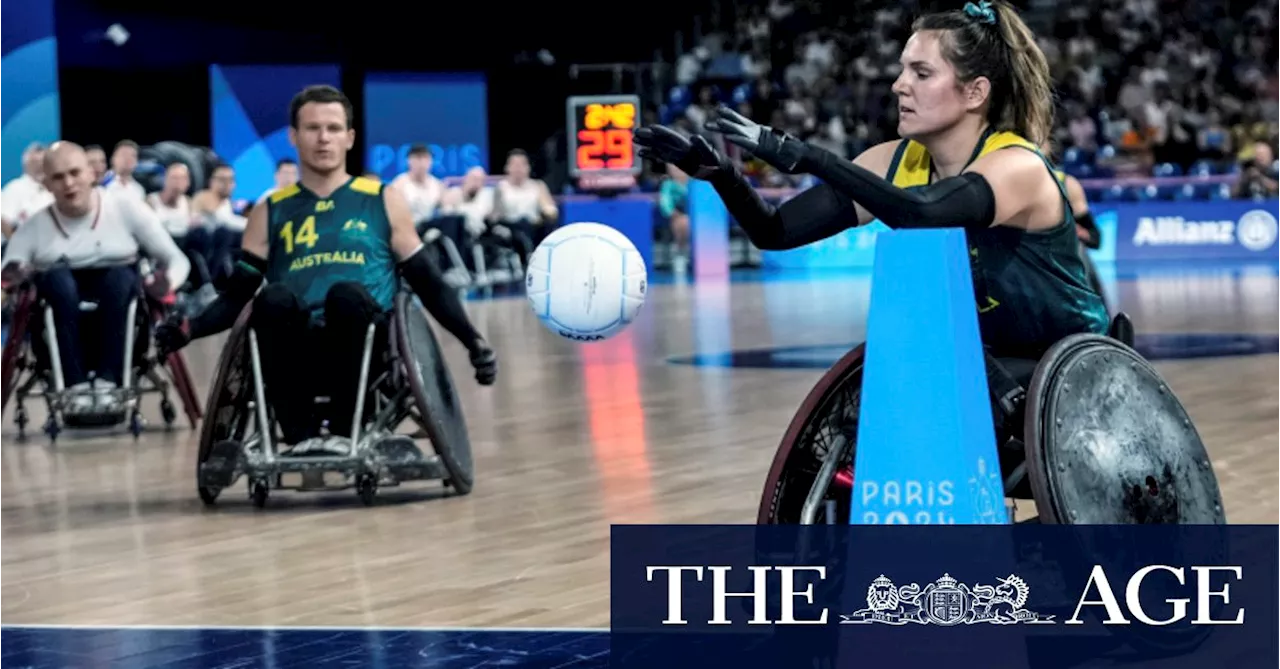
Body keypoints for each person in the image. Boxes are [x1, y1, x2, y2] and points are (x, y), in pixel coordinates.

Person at [635, 1, 1108, 438]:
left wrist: (812, 158)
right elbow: (774, 231)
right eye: (903, 69)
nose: (900, 84)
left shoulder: (1017, 166)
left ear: (974, 93)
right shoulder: (894, 161)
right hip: (986, 366)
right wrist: (722, 175)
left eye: (921, 73)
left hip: (1070, 367)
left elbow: (922, 212)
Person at [156, 85, 496, 449]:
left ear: (349, 138)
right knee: (272, 298)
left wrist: (472, 340)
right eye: (312, 128)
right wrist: (190, 328)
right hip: (295, 345)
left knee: (345, 295)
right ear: (293, 136)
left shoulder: (383, 200)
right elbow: (236, 297)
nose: (323, 138)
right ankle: (299, 437)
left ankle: (346, 430)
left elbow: (428, 282)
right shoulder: (269, 211)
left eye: (333, 128)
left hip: (369, 344)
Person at [0, 142, 191, 411]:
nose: (68, 183)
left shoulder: (126, 208)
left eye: (75, 173)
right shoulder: (35, 227)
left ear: (91, 173)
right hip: (59, 298)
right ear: (46, 184)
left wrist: (166, 283)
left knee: (119, 279)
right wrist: (14, 275)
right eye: (58, 177)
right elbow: (9, 271)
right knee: (57, 281)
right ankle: (73, 383)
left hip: (120, 291)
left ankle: (110, 380)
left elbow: (177, 260)